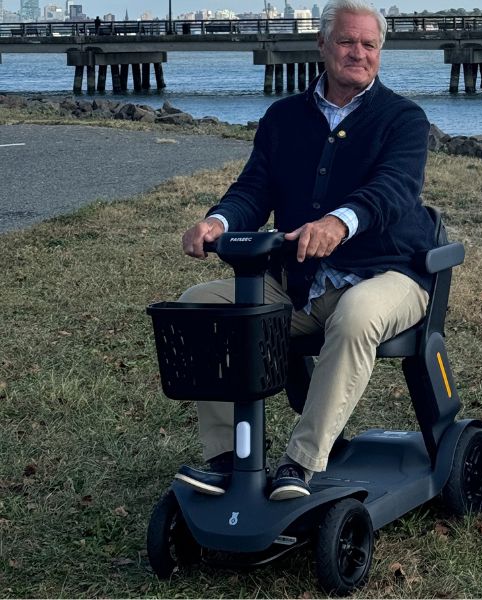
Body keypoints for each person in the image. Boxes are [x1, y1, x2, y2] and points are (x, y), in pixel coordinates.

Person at [174, 0, 435, 501]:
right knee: (199, 303)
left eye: (368, 44)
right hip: (298, 281)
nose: (357, 53)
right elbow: (254, 188)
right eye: (346, 41)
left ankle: (301, 462)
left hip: (389, 274)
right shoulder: (283, 117)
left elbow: (393, 189)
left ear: (380, 52)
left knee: (357, 314)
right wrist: (218, 221)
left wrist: (339, 222)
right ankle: (231, 462)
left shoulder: (404, 118)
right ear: (322, 45)